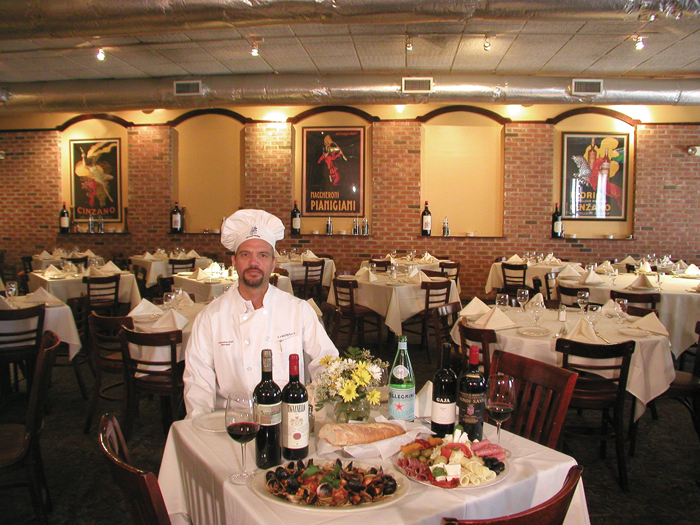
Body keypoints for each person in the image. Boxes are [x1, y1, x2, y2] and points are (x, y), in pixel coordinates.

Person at [183, 209, 338, 419]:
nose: (253, 263)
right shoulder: (211, 317)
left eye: (262, 255)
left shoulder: (298, 310)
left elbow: (327, 363)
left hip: (288, 419)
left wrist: (314, 409)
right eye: (245, 254)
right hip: (231, 422)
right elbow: (198, 383)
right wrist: (199, 427)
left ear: (273, 263)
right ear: (234, 261)